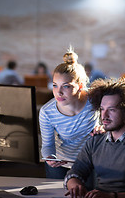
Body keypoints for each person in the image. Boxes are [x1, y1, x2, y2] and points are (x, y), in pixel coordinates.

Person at [65, 78, 125, 198]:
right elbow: (74, 173)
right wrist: (75, 186)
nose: (104, 116)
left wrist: (111, 196)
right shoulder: (95, 141)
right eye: (102, 109)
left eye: (111, 110)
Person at [39, 47, 101, 180]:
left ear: (79, 86)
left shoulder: (96, 99)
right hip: (61, 163)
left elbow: (114, 118)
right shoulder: (47, 112)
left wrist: (104, 127)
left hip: (92, 161)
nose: (58, 92)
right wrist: (49, 158)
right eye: (55, 85)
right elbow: (47, 145)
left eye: (66, 86)